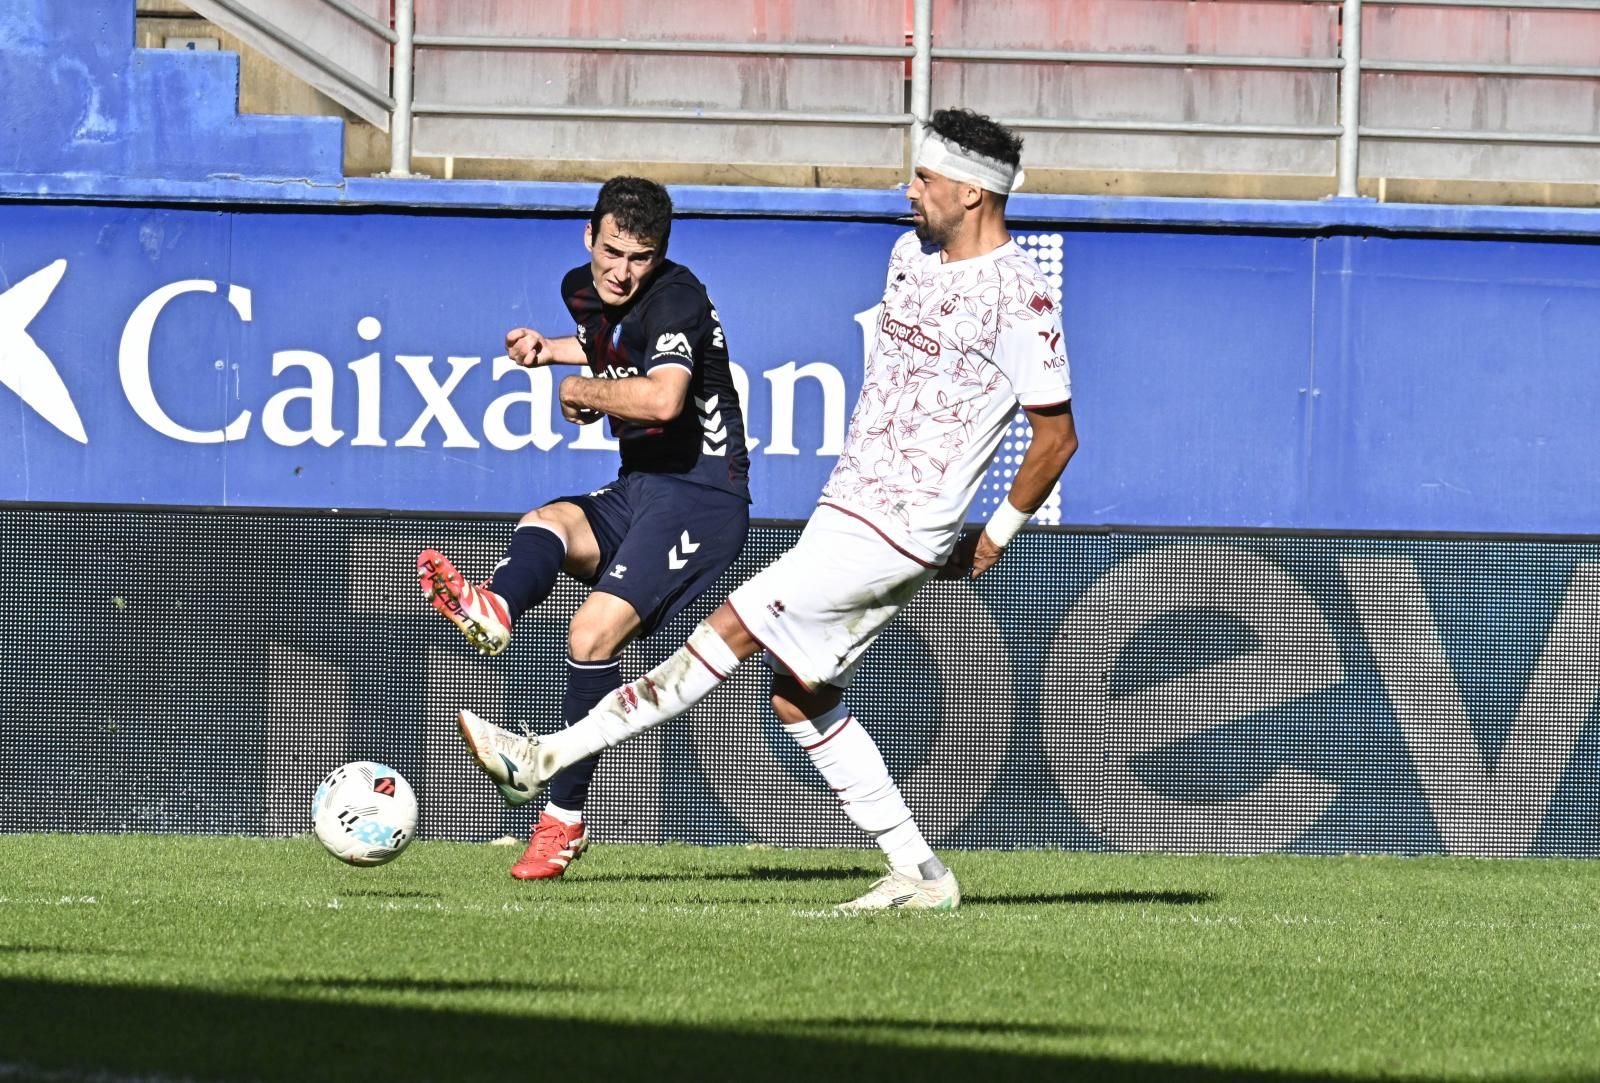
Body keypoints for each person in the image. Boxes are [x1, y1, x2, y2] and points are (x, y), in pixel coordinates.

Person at [453, 109, 1077, 910]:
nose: (909, 190)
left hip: (901, 530)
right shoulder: (907, 256)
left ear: (972, 192)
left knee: (729, 634)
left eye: (924, 179)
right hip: (846, 509)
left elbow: (1055, 437)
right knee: (800, 693)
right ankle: (922, 872)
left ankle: (544, 757)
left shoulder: (1021, 297)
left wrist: (993, 535)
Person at [418, 176, 751, 881]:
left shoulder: (678, 298)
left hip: (702, 498)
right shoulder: (585, 290)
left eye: (640, 257)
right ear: (588, 236)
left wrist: (579, 391)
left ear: (660, 255)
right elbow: (603, 342)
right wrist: (551, 350)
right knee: (549, 521)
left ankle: (562, 821)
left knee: (588, 634)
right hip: (644, 488)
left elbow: (661, 397)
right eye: (611, 251)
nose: (621, 271)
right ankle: (496, 607)